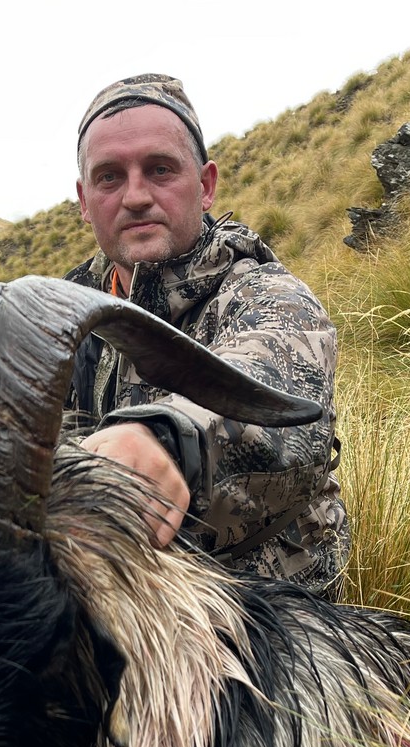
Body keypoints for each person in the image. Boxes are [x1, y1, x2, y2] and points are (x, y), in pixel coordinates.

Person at [67, 73, 349, 596]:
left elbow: (281, 388)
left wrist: (163, 438)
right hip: (105, 599)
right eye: (109, 177)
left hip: (261, 613)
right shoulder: (64, 315)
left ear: (206, 185)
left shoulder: (265, 294)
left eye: (160, 169)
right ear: (84, 200)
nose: (134, 196)